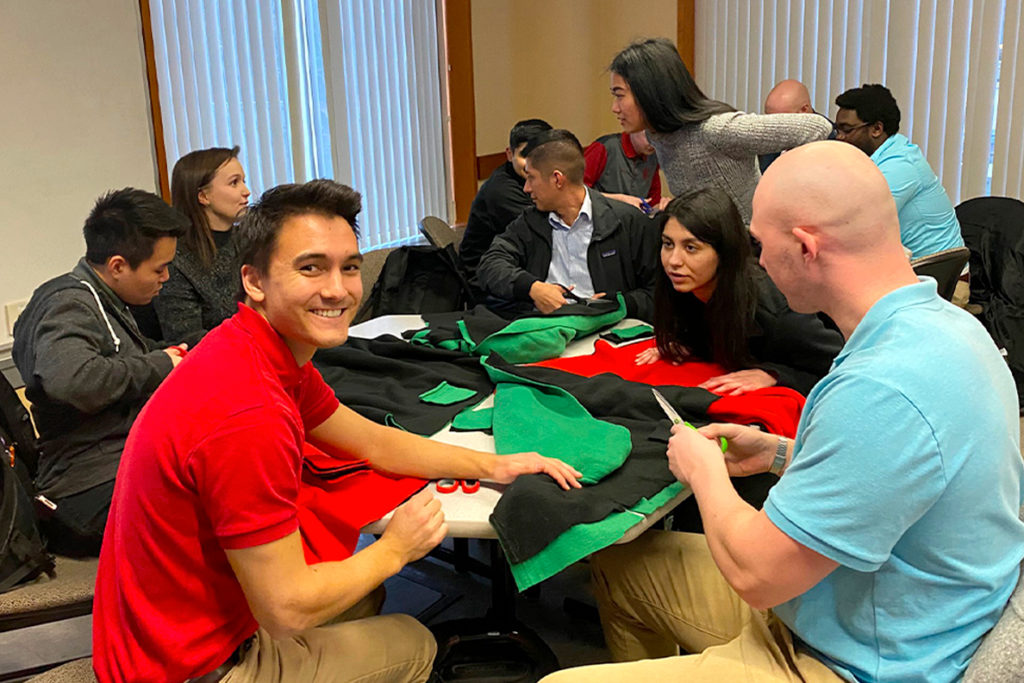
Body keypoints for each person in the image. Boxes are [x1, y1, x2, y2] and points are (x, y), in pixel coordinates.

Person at [541, 141, 1024, 683]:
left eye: (762, 245)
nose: (760, 262)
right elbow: (898, 473)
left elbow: (758, 576)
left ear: (805, 247)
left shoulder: (880, 388)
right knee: (621, 564)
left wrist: (704, 472)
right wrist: (778, 454)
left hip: (852, 661)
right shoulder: (954, 328)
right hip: (854, 608)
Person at [92, 179, 582, 682]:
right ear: (254, 282)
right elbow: (287, 611)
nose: (338, 289)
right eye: (311, 267)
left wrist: (495, 464)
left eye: (348, 267)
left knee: (360, 594)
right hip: (183, 668)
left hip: (151, 633)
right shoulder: (251, 412)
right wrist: (397, 550)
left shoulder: (253, 348)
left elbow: (372, 441)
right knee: (411, 640)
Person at [11, 188, 188, 556]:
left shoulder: (103, 301)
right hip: (85, 490)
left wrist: (189, 352)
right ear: (118, 266)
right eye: (159, 268)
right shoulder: (69, 302)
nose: (166, 277)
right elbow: (71, 380)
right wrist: (161, 364)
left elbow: (129, 357)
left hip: (108, 471)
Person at [636, 187, 841, 396]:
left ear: (724, 251)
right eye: (668, 244)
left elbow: (841, 363)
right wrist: (692, 344)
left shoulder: (775, 309)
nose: (673, 260)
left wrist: (776, 375)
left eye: (691, 248)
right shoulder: (684, 287)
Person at [608, 38, 832, 224]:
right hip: (705, 246)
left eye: (619, 95)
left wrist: (783, 188)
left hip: (749, 250)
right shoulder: (657, 135)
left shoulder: (716, 130)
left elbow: (818, 127)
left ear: (649, 92)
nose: (614, 108)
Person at [476, 129, 659, 320]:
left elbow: (655, 292)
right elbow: (490, 264)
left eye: (531, 178)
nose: (526, 188)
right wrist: (532, 288)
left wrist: (618, 304)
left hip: (609, 324)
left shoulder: (627, 221)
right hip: (546, 325)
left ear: (557, 179)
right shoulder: (531, 221)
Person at [834, 83, 964, 259]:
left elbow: (856, 224)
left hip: (935, 272)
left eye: (847, 130)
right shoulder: (874, 157)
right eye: (838, 129)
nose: (839, 137)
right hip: (904, 265)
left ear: (876, 129)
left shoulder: (900, 166)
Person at [153, 145, 251, 344]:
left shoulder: (250, 240)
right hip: (221, 356)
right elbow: (187, 340)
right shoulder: (175, 259)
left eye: (244, 181)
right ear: (203, 196)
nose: (246, 192)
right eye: (234, 183)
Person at [460, 118, 552, 284]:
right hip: (487, 279)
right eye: (525, 155)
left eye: (540, 155)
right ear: (510, 154)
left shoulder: (536, 178)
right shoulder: (500, 191)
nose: (532, 163)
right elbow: (545, 228)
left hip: (520, 263)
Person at [759, 79, 836, 172]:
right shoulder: (766, 135)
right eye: (768, 118)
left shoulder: (831, 140)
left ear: (804, 110)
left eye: (781, 120)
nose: (773, 126)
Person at [583, 129, 662, 211]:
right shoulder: (604, 147)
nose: (655, 142)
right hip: (598, 214)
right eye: (649, 135)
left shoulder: (653, 157)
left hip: (633, 216)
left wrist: (662, 206)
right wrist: (619, 200)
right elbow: (577, 191)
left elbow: (653, 201)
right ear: (634, 130)